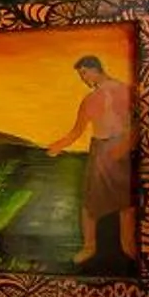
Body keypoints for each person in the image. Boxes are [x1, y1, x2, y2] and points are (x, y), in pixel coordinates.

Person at [45, 53, 137, 265]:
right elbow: (76, 132)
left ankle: (129, 247)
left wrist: (126, 145)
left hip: (120, 150)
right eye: (80, 75)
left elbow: (141, 121)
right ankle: (89, 247)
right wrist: (56, 146)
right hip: (100, 151)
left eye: (84, 73)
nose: (83, 79)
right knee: (90, 202)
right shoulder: (91, 100)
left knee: (127, 203)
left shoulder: (126, 91)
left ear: (94, 69)